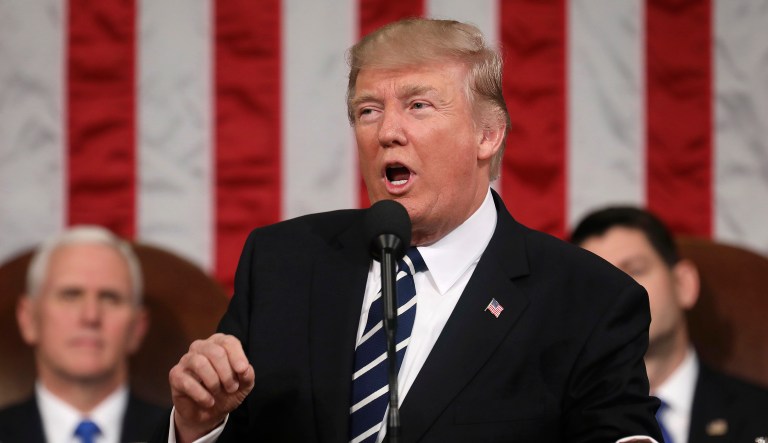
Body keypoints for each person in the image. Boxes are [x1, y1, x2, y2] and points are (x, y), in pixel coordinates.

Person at [157, 18, 662, 443]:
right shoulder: (282, 262)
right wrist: (200, 425)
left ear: (487, 135)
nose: (388, 132)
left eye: (418, 106)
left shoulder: (589, 301)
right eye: (368, 111)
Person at [571, 206, 768, 443]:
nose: (616, 294)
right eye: (597, 282)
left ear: (683, 284)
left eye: (635, 270)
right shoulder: (552, 426)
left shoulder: (761, 415)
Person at [0, 225, 165, 443]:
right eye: (70, 295)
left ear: (137, 327)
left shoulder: (182, 435)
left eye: (110, 298)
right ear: (29, 319)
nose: (91, 316)